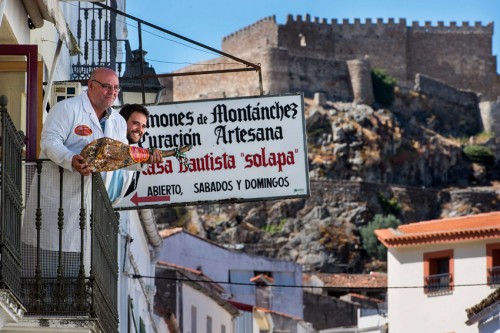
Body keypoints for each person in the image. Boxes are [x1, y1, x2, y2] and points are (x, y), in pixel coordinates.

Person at [118, 103, 162, 197]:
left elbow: (130, 189)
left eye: (143, 126)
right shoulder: (108, 141)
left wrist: (144, 160)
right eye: (135, 123)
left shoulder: (137, 153)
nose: (140, 129)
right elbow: (115, 159)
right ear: (122, 122)